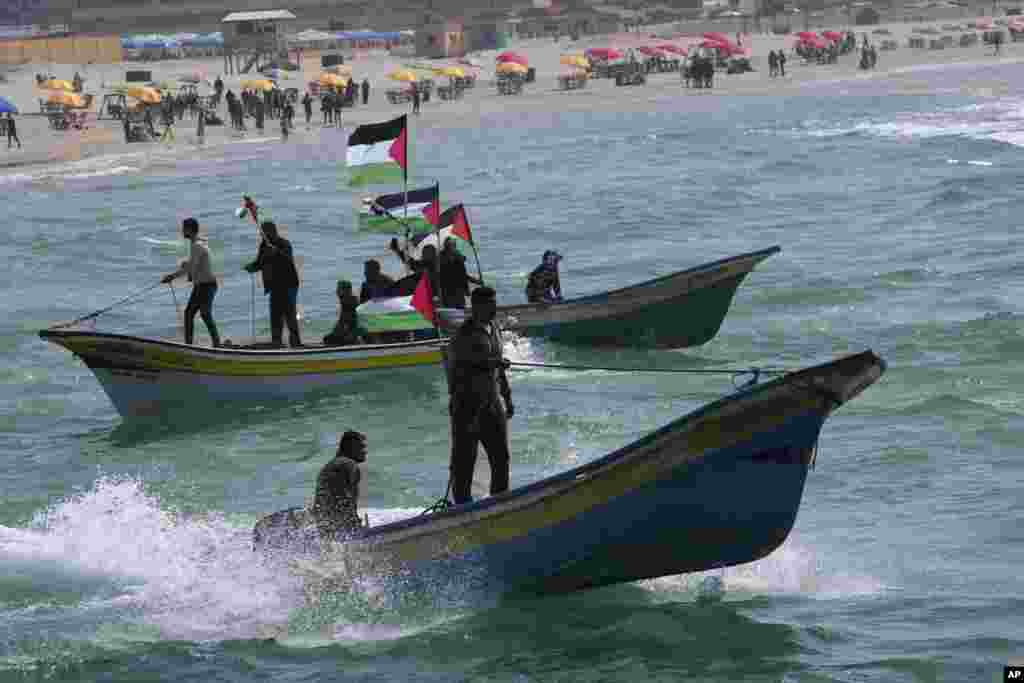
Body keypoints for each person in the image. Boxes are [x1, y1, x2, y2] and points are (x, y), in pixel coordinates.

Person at [446, 286, 513, 505]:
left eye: (495, 302)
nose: (495, 307)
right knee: (465, 463)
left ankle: (500, 503)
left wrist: (507, 396)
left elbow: (499, 367)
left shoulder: (494, 328)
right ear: (476, 307)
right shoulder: (462, 335)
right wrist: (491, 363)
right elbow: (461, 366)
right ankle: (462, 508)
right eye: (490, 304)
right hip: (467, 406)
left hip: (493, 403)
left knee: (501, 458)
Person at [160, 218, 221, 347]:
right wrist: (186, 264)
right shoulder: (197, 244)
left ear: (190, 230)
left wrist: (172, 276)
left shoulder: (197, 246)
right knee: (190, 314)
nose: (182, 231)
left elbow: (192, 268)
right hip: (201, 285)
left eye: (184, 228)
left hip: (207, 285)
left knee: (204, 313)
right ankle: (190, 346)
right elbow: (194, 265)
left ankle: (216, 344)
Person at [243, 221, 302, 347]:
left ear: (272, 231)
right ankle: (277, 342)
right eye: (261, 232)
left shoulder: (284, 244)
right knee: (275, 315)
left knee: (289, 314)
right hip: (274, 286)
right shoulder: (264, 245)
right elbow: (259, 262)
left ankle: (296, 344)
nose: (261, 234)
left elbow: (287, 260)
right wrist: (252, 267)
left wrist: (276, 252)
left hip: (289, 284)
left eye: (263, 232)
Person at [311, 430, 367, 541]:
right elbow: (346, 500)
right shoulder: (350, 465)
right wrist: (356, 527)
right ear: (352, 447)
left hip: (324, 528)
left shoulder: (328, 466)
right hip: (342, 529)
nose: (365, 452)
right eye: (361, 447)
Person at [439, 237, 480, 309]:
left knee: (460, 308)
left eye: (453, 245)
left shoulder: (458, 258)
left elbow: (463, 275)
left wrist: (476, 281)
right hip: (446, 290)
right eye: (449, 245)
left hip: (458, 290)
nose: (452, 247)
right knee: (450, 309)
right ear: (446, 246)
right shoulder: (440, 258)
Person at [323, 280, 362, 346]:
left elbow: (351, 321)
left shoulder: (349, 301)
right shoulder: (347, 300)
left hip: (351, 334)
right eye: (337, 289)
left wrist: (350, 335)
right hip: (349, 332)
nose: (337, 291)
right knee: (328, 338)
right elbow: (342, 321)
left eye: (339, 289)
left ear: (346, 290)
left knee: (329, 340)